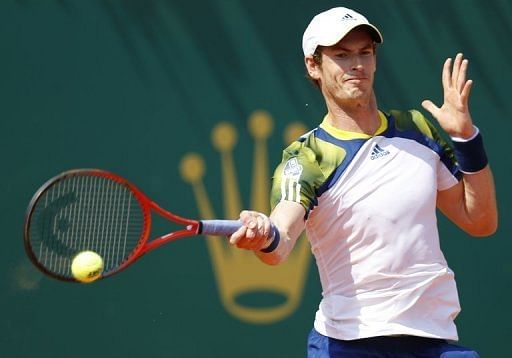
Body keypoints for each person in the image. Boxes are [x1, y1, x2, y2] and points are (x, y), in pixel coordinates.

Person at [229, 6, 498, 358]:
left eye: (365, 53)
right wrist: (265, 236)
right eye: (341, 55)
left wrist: (466, 140)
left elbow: (480, 221)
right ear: (314, 66)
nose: (357, 64)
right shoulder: (307, 156)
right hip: (349, 345)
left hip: (432, 339)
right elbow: (281, 240)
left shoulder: (418, 129)